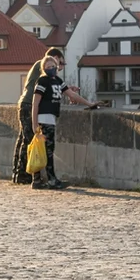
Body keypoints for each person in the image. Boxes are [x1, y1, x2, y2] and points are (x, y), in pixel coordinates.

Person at [31, 54, 97, 190]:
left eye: (53, 66)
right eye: (48, 67)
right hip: (44, 119)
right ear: (43, 68)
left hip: (51, 118)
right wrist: (34, 124)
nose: (51, 68)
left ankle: (37, 180)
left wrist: (89, 103)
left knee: (43, 149)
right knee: (47, 150)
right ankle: (51, 180)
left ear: (56, 67)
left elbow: (72, 94)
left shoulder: (58, 81)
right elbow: (35, 103)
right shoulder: (42, 81)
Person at [12, 48, 64, 184]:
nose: (60, 67)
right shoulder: (43, 64)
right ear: (55, 57)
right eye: (60, 62)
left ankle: (18, 173)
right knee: (30, 140)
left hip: (24, 103)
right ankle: (25, 175)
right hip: (29, 104)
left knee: (24, 139)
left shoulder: (39, 66)